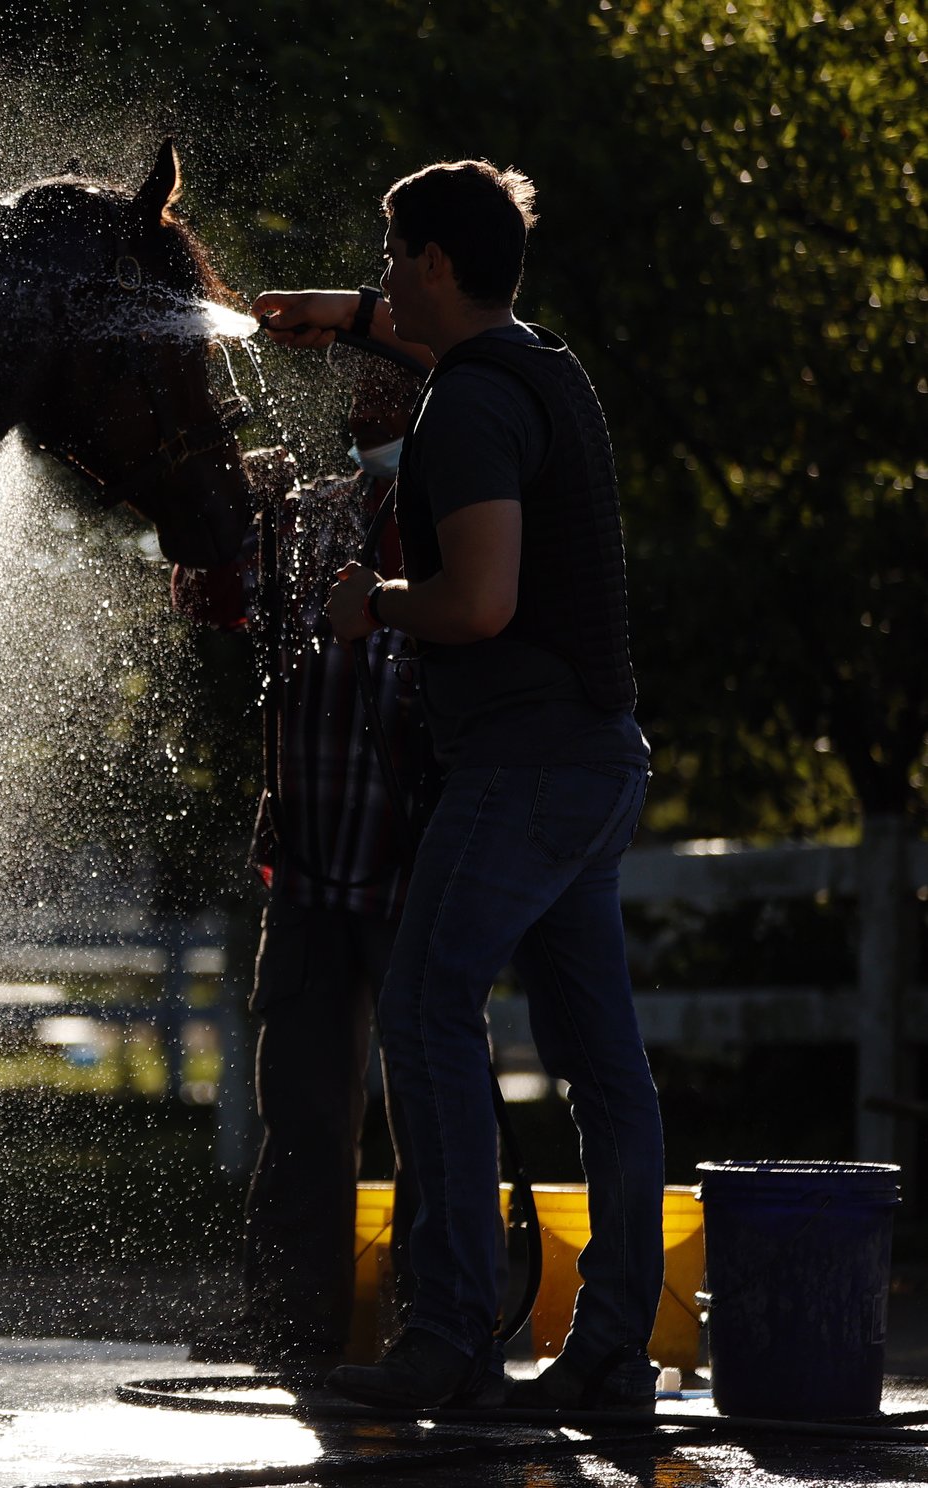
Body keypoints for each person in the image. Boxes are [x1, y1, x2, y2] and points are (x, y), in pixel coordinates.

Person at [253, 160, 664, 1413]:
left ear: (434, 262)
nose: (380, 276)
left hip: (519, 769)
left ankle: (448, 1336)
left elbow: (478, 601)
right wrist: (334, 309)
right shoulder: (539, 364)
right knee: (604, 1064)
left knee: (427, 1007)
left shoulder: (468, 412)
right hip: (596, 761)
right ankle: (607, 1354)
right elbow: (422, 334)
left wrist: (372, 605)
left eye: (388, 256)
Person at [174, 352, 427, 1372]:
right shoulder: (312, 514)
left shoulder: (459, 516)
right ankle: (289, 1318)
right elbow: (208, 598)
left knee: (434, 1112)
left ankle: (434, 1322)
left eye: (390, 393)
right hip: (317, 861)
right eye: (363, 393)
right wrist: (237, 507)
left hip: (418, 864)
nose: (370, 406)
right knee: (302, 1108)